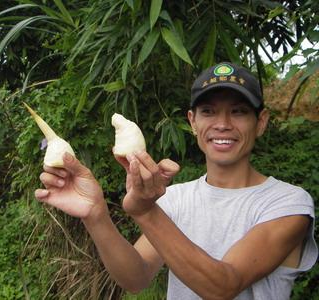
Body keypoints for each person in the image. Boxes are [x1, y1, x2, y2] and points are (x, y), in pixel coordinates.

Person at [34, 62, 318, 299]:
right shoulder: (176, 198)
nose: (222, 124)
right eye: (208, 111)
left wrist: (146, 211)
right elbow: (136, 277)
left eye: (239, 111)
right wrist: (96, 214)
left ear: (262, 122)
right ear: (193, 122)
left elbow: (223, 285)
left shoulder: (289, 203)